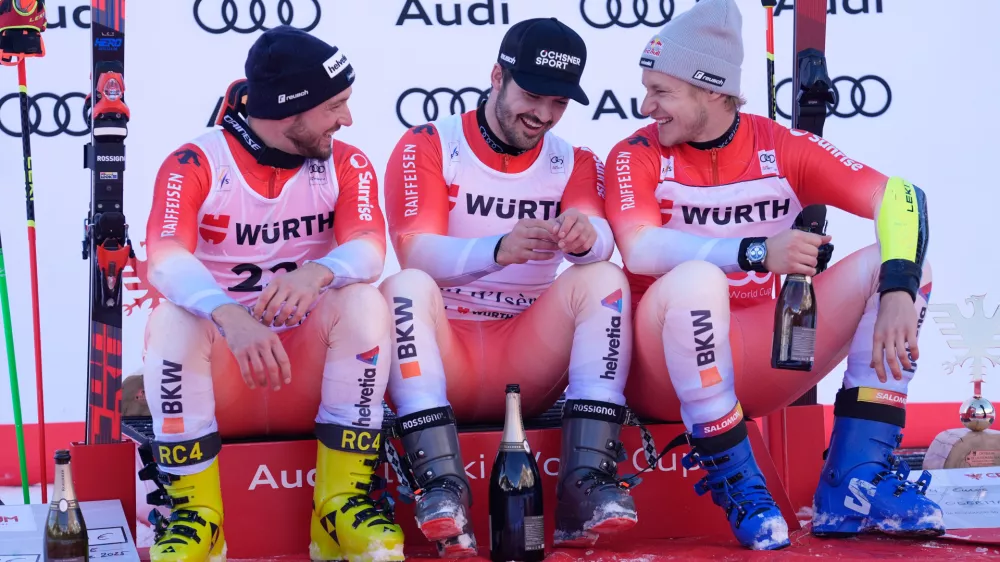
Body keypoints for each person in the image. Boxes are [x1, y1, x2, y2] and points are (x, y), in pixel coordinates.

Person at [603, 0, 942, 551]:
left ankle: (854, 481)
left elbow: (900, 195)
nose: (647, 106)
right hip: (662, 369)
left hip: (759, 355)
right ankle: (739, 481)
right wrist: (759, 250)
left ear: (711, 89)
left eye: (661, 91)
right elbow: (640, 249)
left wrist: (899, 286)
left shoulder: (780, 147)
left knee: (909, 264)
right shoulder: (634, 154)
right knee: (697, 280)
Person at [141, 26, 404, 562]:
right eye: (335, 106)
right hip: (226, 375)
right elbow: (163, 258)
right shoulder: (195, 163)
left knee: (363, 300)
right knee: (172, 319)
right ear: (291, 111)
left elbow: (371, 249)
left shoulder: (346, 162)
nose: (347, 119)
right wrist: (226, 312)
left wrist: (319, 272)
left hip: (305, 372)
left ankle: (339, 508)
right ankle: (197, 517)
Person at [380, 17, 638, 556]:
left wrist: (587, 237)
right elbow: (414, 248)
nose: (543, 115)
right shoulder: (428, 143)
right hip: (443, 350)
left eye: (560, 103)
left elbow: (601, 243)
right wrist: (496, 249)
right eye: (534, 95)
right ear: (497, 75)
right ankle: (441, 488)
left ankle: (585, 485)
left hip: (526, 358)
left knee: (604, 278)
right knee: (402, 284)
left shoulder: (573, 159)